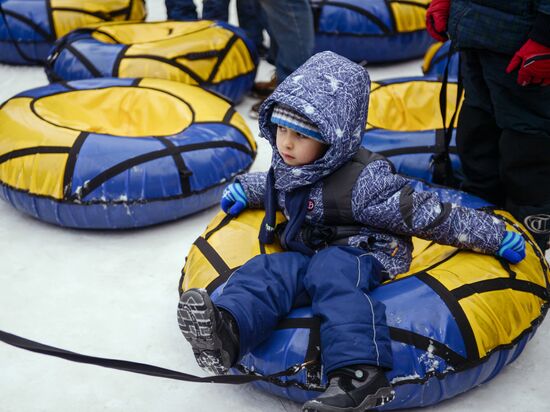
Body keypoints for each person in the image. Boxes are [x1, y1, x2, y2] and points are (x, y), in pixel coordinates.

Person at [177, 52, 526, 412]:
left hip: (366, 251)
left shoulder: (365, 184)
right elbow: (277, 185)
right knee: (269, 270)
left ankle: (359, 374)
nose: (286, 144)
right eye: (281, 129)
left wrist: (492, 236)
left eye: (300, 134)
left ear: (331, 139)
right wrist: (246, 190)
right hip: (310, 250)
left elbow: (427, 214)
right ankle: (228, 331)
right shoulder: (294, 163)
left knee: (333, 271)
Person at [426, 0, 550, 251]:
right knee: (477, 128)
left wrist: (545, 37)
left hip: (523, 42)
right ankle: (480, 214)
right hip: (475, 33)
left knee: (526, 141)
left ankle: (535, 229)